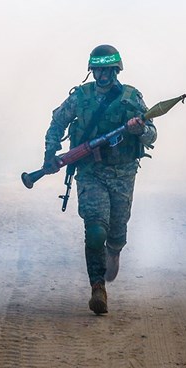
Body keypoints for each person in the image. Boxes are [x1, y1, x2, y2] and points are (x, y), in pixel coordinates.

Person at [41, 44, 157, 315]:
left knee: (116, 233)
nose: (102, 75)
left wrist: (140, 130)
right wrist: (50, 151)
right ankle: (97, 288)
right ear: (91, 70)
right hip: (90, 172)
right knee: (95, 231)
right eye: (97, 69)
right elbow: (57, 122)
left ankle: (114, 250)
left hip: (123, 174)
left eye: (107, 69)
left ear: (116, 70)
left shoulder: (131, 98)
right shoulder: (80, 97)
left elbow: (152, 134)